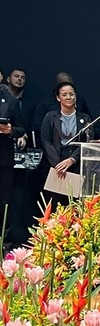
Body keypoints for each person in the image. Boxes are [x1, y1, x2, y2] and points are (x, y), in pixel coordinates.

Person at [39, 82, 93, 180]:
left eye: (71, 94)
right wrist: (58, 164)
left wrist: (72, 159)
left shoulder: (85, 118)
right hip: (55, 164)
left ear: (75, 97)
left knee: (73, 194)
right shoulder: (50, 117)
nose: (68, 97)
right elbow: (45, 141)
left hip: (76, 164)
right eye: (64, 95)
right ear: (58, 98)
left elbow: (87, 142)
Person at [0, 87, 26, 241]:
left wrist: (10, 130)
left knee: (4, 203)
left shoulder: (11, 101)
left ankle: (4, 241)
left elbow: (21, 128)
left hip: (3, 159)